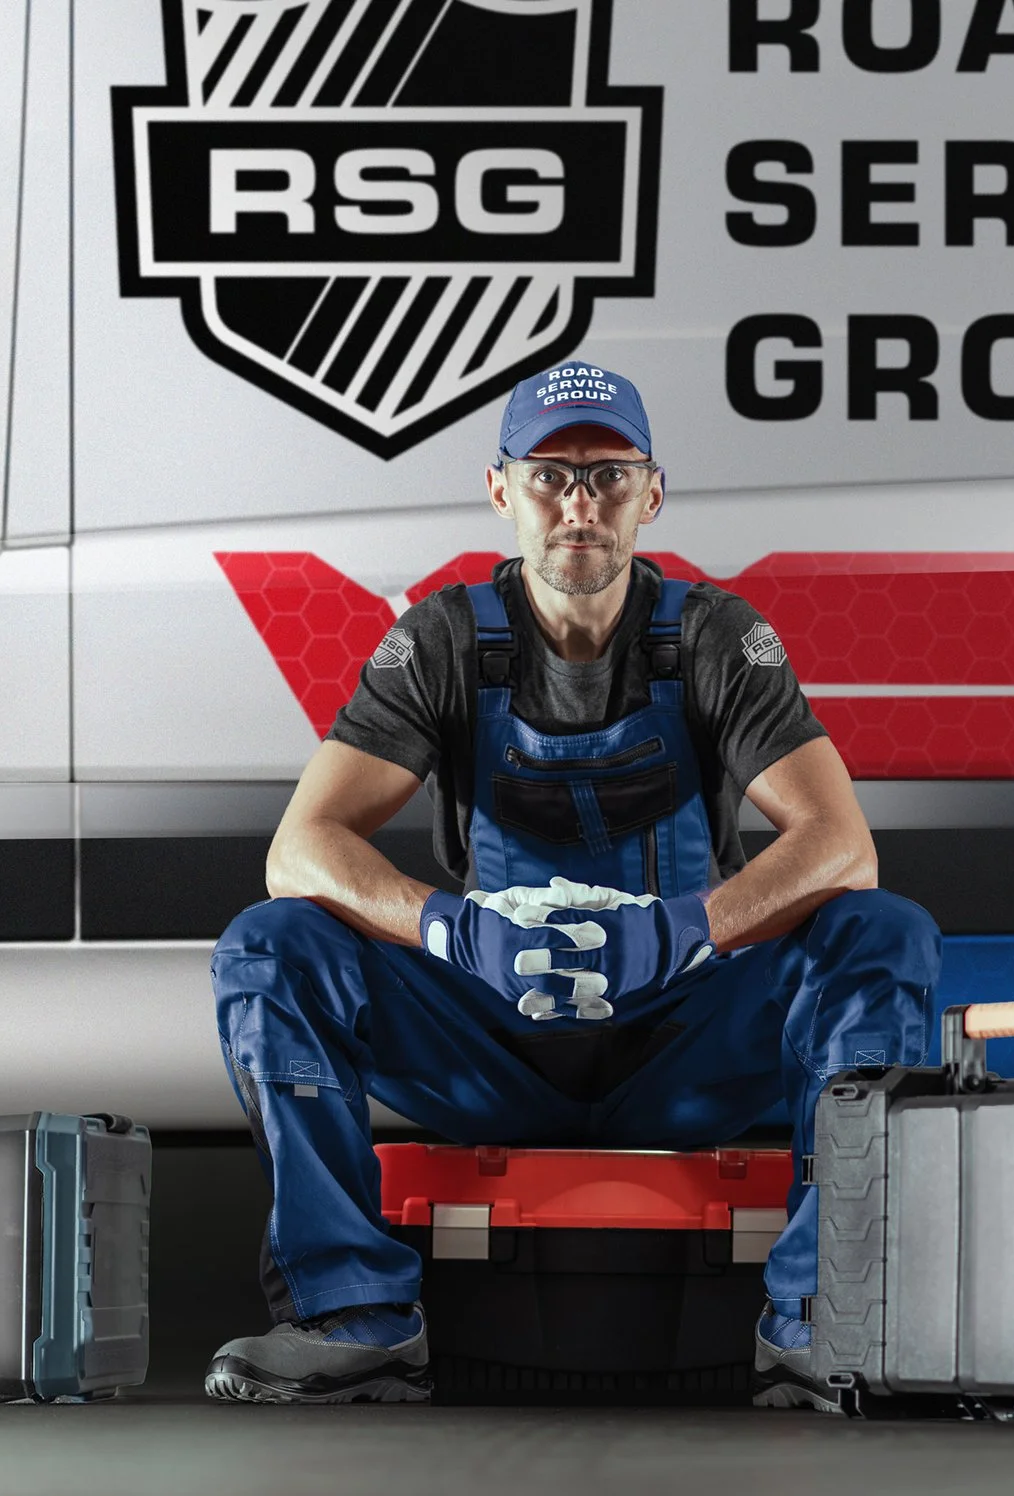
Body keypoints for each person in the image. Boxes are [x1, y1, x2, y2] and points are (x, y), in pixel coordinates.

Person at [203, 359, 939, 1407]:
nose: (579, 503)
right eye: (551, 474)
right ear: (501, 490)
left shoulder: (716, 637)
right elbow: (300, 847)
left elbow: (840, 844)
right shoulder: (440, 640)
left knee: (884, 932)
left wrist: (683, 933)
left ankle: (828, 1321)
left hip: (682, 1048)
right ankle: (352, 1318)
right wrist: (455, 932)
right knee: (268, 946)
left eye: (607, 473)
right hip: (491, 1048)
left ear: (652, 491)